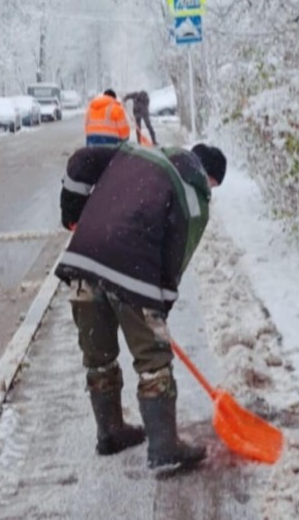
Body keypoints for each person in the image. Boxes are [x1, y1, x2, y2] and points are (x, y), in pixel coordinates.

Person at [55, 141, 227, 469]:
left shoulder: (134, 153)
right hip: (133, 268)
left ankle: (110, 431)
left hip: (82, 260)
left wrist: (73, 215)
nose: (211, 190)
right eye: (214, 186)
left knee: (98, 355)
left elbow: (81, 158)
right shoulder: (196, 196)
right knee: (153, 360)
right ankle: (164, 446)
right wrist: (157, 312)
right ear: (210, 178)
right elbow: (174, 261)